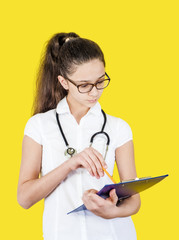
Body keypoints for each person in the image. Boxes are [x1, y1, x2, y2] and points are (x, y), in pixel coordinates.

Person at [17, 32, 141, 240]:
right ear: (64, 82)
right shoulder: (39, 126)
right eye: (84, 85)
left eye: (100, 81)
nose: (95, 92)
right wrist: (70, 164)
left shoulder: (119, 127)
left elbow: (133, 199)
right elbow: (24, 198)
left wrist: (113, 211)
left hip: (114, 234)